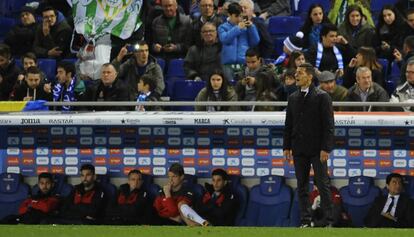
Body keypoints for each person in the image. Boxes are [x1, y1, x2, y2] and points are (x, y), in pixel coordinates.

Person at [283, 63, 335, 228]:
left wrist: (326, 148)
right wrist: (286, 146)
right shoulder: (292, 98)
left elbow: (329, 125)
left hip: (318, 149)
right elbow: (288, 124)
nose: (296, 75)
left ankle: (329, 221)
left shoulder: (322, 97)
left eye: (300, 72)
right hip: (299, 148)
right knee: (302, 185)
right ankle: (305, 220)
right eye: (296, 72)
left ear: (310, 76)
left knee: (322, 184)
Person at [218, 2, 260, 81]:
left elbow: (255, 42)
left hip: (243, 63)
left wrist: (252, 27)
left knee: (243, 86)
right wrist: (237, 28)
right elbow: (225, 39)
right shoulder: (222, 27)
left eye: (240, 16)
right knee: (230, 86)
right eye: (236, 16)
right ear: (229, 15)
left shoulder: (246, 27)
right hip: (227, 64)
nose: (238, 18)